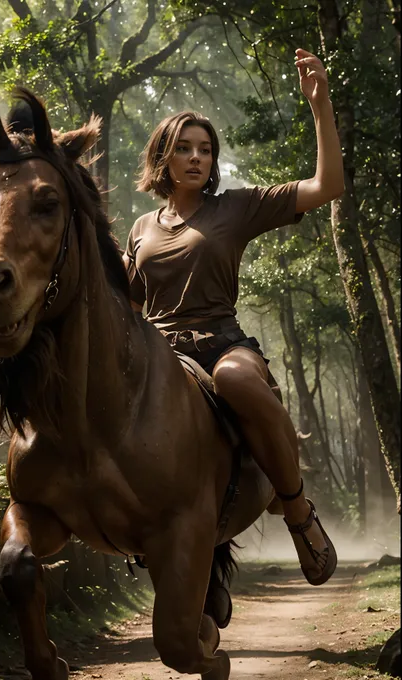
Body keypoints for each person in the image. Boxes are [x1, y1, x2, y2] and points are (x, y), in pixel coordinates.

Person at [123, 48, 343, 586]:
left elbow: (327, 187)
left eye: (205, 150)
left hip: (222, 342)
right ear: (164, 158)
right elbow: (130, 310)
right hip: (161, 356)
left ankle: (296, 511)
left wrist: (321, 108)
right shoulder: (139, 229)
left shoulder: (236, 208)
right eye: (184, 148)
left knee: (234, 377)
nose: (196, 158)